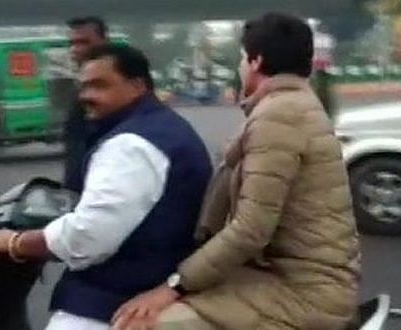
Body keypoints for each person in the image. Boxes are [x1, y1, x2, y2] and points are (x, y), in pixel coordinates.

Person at [112, 13, 361, 330]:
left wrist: (174, 286)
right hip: (297, 278)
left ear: (255, 62)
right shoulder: (296, 104)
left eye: (242, 58)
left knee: (139, 325)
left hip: (303, 293)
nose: (240, 66)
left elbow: (250, 230)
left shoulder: (278, 116)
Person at [0, 44, 213, 330]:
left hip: (114, 302)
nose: (86, 96)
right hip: (152, 282)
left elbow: (90, 236)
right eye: (84, 87)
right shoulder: (163, 127)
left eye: (99, 86)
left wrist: (16, 243)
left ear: (137, 85)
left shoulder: (130, 145)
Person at [63, 16, 109, 194]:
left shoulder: (114, 87)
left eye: (84, 42)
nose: (76, 49)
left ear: (104, 42)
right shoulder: (82, 84)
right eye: (73, 43)